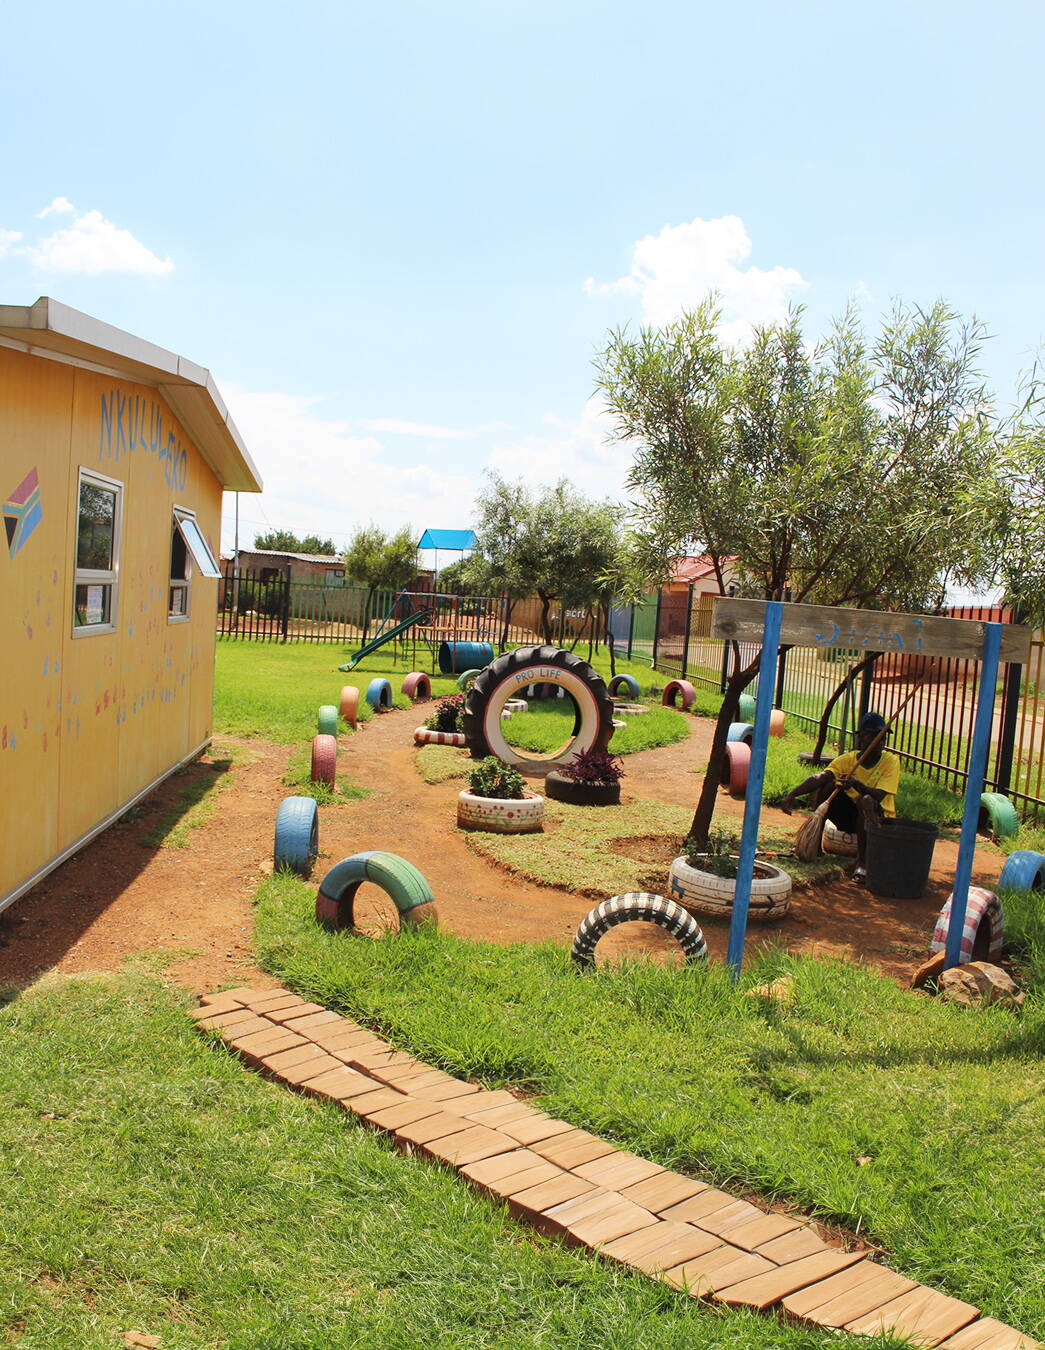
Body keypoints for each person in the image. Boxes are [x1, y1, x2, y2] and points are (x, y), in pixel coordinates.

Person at [780, 711, 900, 882]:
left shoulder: (891, 761)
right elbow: (820, 777)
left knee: (865, 800)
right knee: (827, 786)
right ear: (861, 739)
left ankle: (863, 862)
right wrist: (793, 794)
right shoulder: (847, 760)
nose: (879, 741)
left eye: (882, 737)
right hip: (850, 819)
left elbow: (879, 796)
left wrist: (856, 784)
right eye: (872, 736)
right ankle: (814, 844)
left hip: (877, 819)